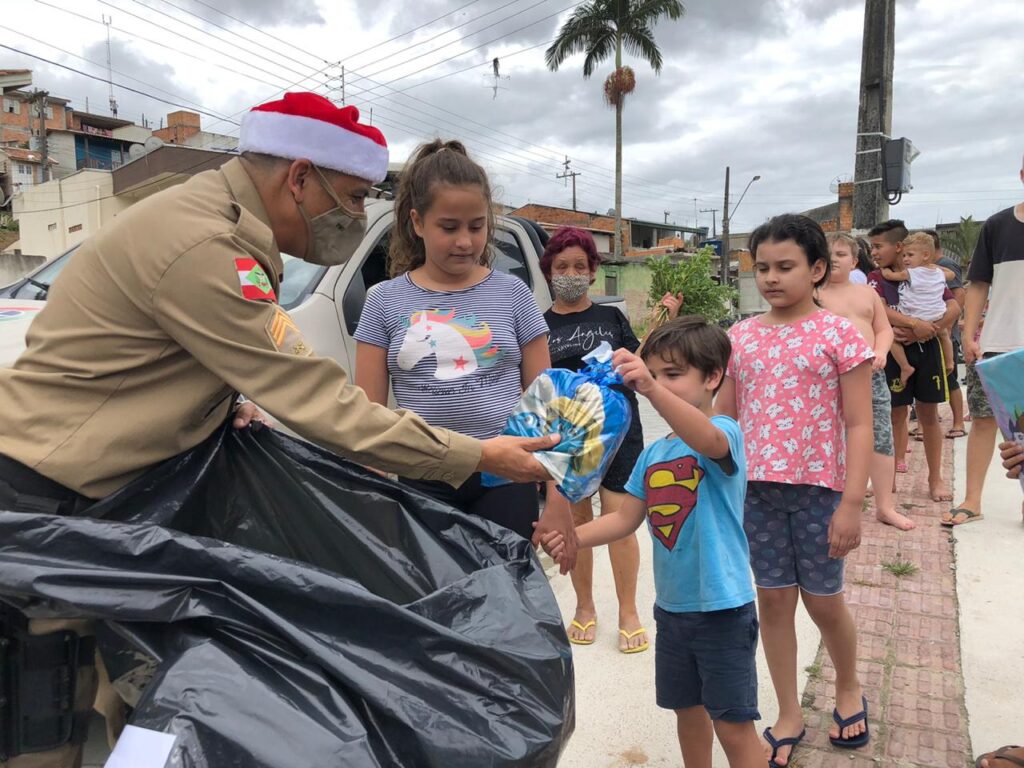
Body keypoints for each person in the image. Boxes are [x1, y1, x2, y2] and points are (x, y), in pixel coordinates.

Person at [0, 94, 558, 767]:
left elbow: (178, 358)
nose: (355, 218)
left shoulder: (219, 225)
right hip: (53, 504)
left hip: (128, 506)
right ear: (300, 179)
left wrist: (215, 402)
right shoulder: (206, 244)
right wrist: (474, 454)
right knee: (49, 715)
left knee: (145, 687)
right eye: (352, 199)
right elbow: (323, 403)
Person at [540, 317, 764, 768]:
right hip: (675, 610)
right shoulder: (655, 452)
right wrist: (570, 539)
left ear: (714, 377)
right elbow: (624, 518)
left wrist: (649, 389)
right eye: (655, 374)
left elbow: (709, 438)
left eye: (673, 374)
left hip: (723, 609)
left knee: (733, 724)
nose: (659, 384)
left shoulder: (725, 434)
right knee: (687, 711)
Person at [718, 214, 874, 766]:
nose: (771, 278)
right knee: (775, 601)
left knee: (825, 602)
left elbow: (860, 424)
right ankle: (788, 709)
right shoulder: (739, 337)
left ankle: (849, 687)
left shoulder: (839, 335)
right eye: (761, 267)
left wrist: (852, 503)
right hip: (755, 494)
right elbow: (723, 425)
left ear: (816, 270)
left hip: (819, 493)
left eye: (785, 266)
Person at [353, 139, 557, 543]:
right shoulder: (383, 301)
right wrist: (372, 503)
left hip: (505, 476)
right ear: (417, 222)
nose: (465, 241)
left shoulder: (514, 295)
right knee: (435, 598)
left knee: (508, 595)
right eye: (449, 227)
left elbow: (548, 407)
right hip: (421, 478)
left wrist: (558, 502)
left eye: (476, 226)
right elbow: (367, 420)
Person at [540, 225, 680, 651]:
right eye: (562, 266)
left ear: (593, 271)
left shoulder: (612, 318)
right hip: (570, 437)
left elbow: (641, 363)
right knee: (578, 522)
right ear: (549, 271)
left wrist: (666, 321)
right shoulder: (539, 325)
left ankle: (628, 610)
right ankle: (584, 607)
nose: (571, 273)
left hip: (621, 436)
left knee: (622, 522)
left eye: (579, 266)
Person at [944, 156, 1024, 525]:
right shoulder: (998, 226)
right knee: (984, 420)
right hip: (997, 342)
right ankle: (972, 499)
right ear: (1022, 175)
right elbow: (978, 284)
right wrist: (968, 333)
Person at [819, 233, 912, 530]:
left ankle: (885, 505)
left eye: (842, 254)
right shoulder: (813, 295)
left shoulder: (867, 294)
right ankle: (834, 502)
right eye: (828, 253)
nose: (834, 259)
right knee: (832, 439)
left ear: (855, 261)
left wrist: (882, 351)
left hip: (870, 373)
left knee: (881, 437)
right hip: (827, 380)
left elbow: (883, 329)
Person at [866, 219, 960, 499]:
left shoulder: (927, 273)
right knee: (894, 415)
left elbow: (954, 305)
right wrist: (912, 323)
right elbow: (879, 309)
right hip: (892, 351)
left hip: (927, 347)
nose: (874, 252)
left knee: (929, 415)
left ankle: (935, 479)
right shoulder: (876, 277)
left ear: (898, 247)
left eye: (878, 246)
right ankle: (888, 477)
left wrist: (927, 328)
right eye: (872, 247)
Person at [879, 232, 956, 388]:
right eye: (904, 255)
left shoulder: (911, 273)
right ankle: (950, 362)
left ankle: (905, 366)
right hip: (936, 315)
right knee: (944, 334)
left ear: (926, 255)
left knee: (892, 338)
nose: (905, 259)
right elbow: (952, 274)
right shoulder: (938, 273)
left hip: (915, 316)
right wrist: (934, 266)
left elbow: (892, 277)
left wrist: (885, 272)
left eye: (910, 255)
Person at [922, 229, 967, 439]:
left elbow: (958, 295)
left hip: (944, 331)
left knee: (950, 379)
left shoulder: (946, 266)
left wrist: (946, 326)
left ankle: (958, 422)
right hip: (930, 331)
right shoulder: (923, 268)